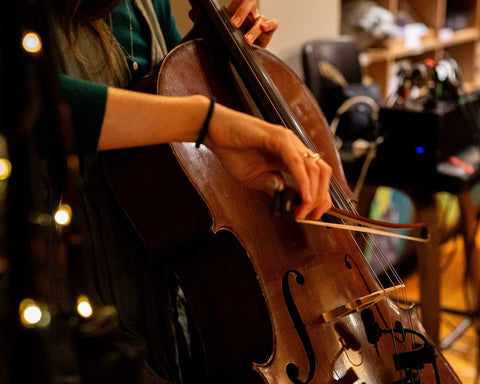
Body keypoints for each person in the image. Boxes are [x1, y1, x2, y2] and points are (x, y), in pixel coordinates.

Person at [48, 0, 333, 382]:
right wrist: (205, 120)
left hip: (158, 276)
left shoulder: (147, 4)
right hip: (62, 290)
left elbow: (166, 90)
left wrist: (221, 46)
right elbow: (28, 99)